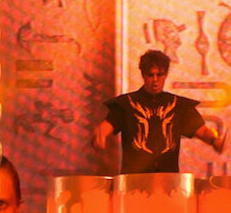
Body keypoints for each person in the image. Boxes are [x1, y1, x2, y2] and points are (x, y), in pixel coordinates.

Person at [92, 49, 225, 172]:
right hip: (134, 182)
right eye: (150, 75)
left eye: (159, 75)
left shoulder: (179, 106)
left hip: (168, 182)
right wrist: (101, 135)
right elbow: (107, 126)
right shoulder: (126, 104)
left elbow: (201, 130)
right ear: (143, 75)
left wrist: (214, 141)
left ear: (166, 74)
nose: (155, 80)